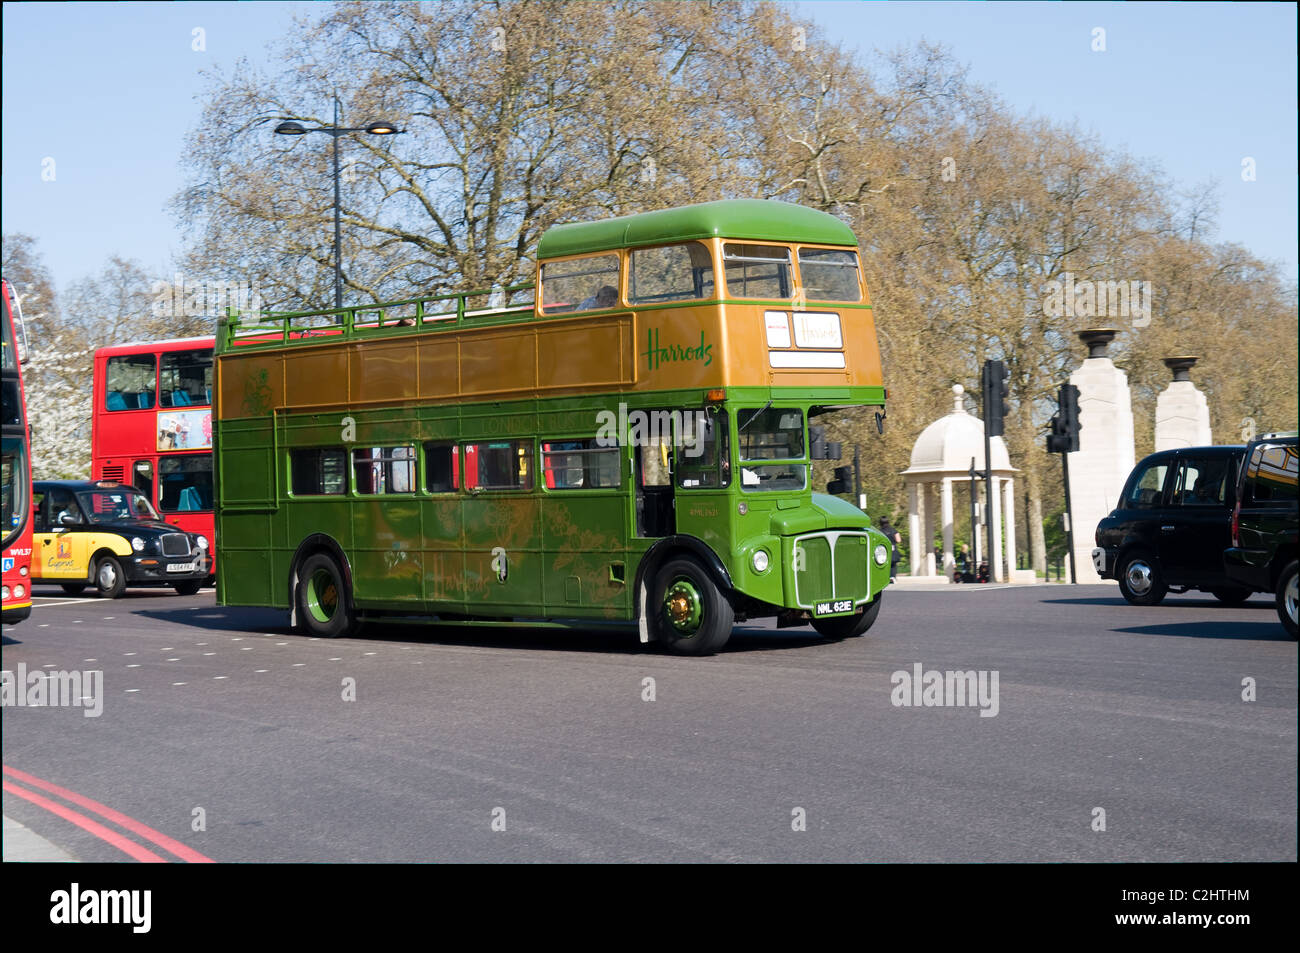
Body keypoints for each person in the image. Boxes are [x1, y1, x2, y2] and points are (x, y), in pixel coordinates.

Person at [879, 516, 903, 583]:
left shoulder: (879, 531)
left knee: (884, 564)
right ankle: (893, 577)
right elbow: (898, 540)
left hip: (883, 550)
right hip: (893, 549)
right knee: (893, 564)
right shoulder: (893, 530)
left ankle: (886, 577)